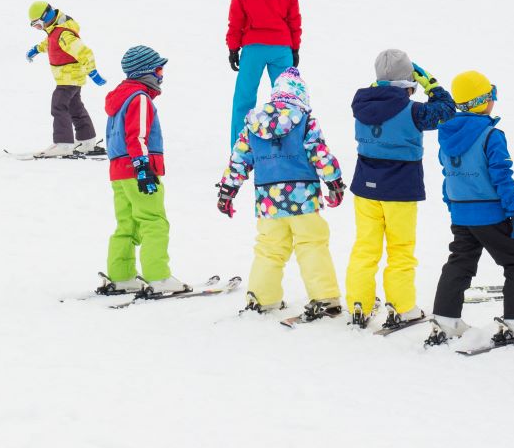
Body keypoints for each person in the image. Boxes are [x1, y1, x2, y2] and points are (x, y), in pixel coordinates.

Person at [427, 70, 514, 347]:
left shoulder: (446, 135)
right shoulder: (490, 135)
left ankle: (446, 319)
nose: (494, 100)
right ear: (483, 101)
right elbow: (501, 175)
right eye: (491, 95)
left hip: (461, 213)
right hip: (490, 213)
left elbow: (448, 173)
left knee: (460, 262)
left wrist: (451, 204)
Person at [216, 67, 345, 318]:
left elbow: (239, 158)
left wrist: (227, 191)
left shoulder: (253, 123)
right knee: (311, 244)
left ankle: (262, 299)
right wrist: (335, 182)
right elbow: (319, 153)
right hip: (303, 197)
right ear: (301, 96)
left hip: (268, 200)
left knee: (269, 247)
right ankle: (324, 297)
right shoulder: (305, 119)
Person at [346, 50, 456, 329]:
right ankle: (402, 306)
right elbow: (447, 111)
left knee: (365, 248)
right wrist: (431, 83)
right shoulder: (414, 111)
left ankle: (359, 304)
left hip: (365, 187)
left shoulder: (361, 104)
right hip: (400, 189)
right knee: (400, 250)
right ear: (409, 81)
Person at [100, 45, 186, 294]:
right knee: (153, 221)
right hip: (138, 169)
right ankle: (158, 278)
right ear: (146, 72)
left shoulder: (120, 98)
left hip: (118, 172)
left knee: (127, 224)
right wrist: (142, 168)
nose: (162, 75)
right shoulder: (139, 98)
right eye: (159, 69)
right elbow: (136, 136)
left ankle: (122, 276)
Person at [225, 0, 301, 145]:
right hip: (282, 48)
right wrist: (295, 48)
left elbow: (236, 22)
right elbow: (294, 19)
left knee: (244, 98)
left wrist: (233, 48)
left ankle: (239, 147)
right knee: (287, 99)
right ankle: (289, 145)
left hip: (253, 49)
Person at [26, 1, 104, 156]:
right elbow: (49, 43)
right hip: (71, 78)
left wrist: (93, 72)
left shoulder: (64, 34)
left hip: (69, 78)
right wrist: (36, 49)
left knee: (59, 105)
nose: (38, 29)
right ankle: (86, 140)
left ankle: (63, 144)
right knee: (75, 107)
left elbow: (84, 52)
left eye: (38, 25)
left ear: (46, 17)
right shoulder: (55, 31)